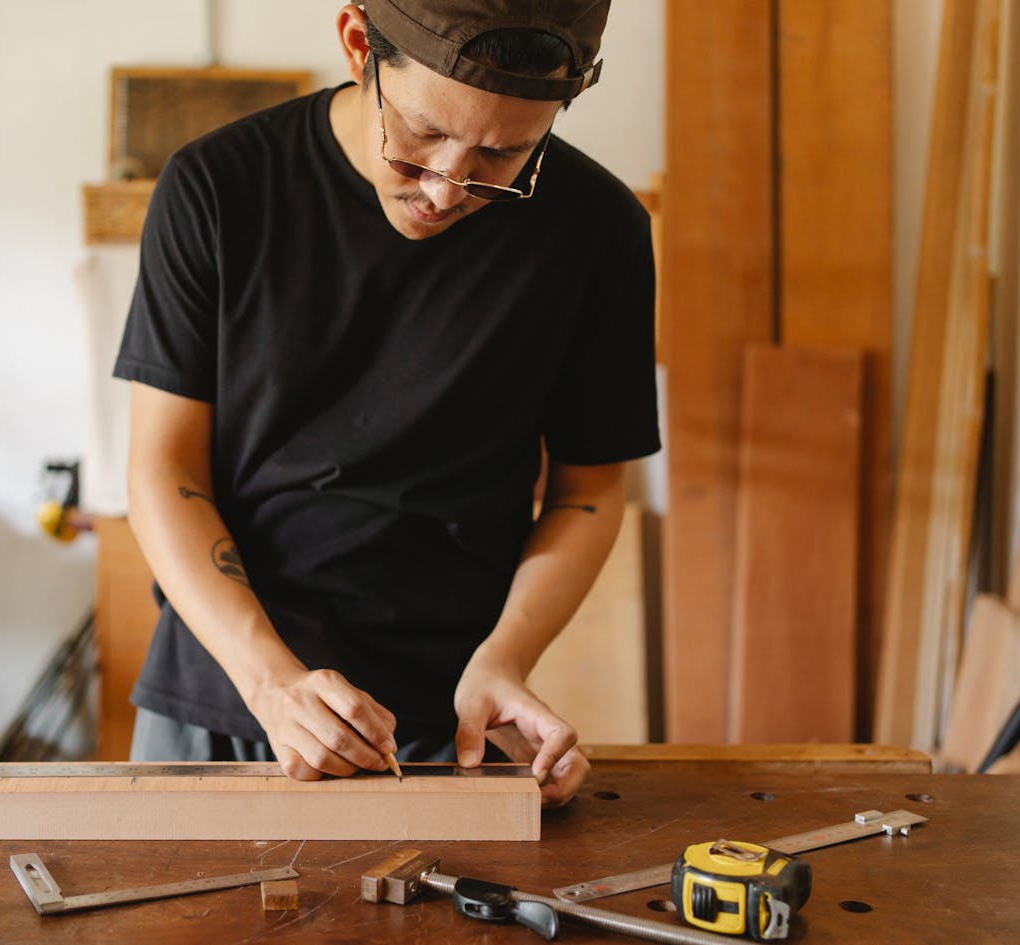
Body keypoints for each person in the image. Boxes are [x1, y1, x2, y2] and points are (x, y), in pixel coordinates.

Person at [113, 0, 659, 808]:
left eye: (504, 156)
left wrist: (506, 660)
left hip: (447, 715)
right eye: (419, 138)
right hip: (226, 685)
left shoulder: (598, 230)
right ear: (358, 44)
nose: (446, 188)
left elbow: (589, 490)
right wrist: (270, 683)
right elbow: (164, 472)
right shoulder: (218, 187)